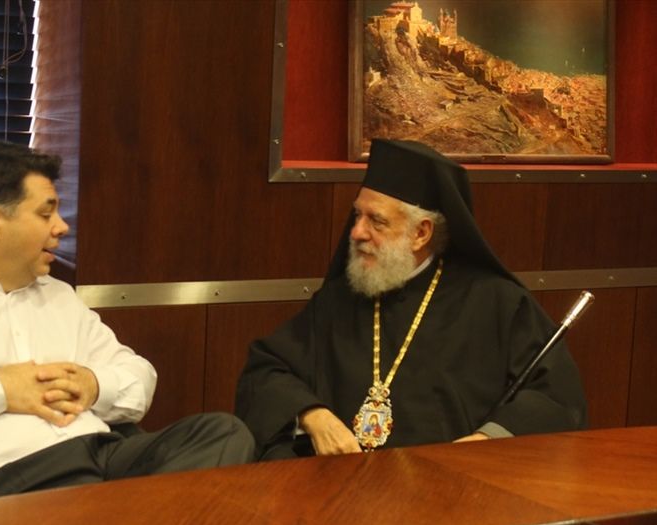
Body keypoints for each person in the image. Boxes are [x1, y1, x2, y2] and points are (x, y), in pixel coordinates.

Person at [0, 139, 254, 503]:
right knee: (158, 516)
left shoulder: (57, 295)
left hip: (100, 455)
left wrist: (93, 385)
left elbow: (138, 377)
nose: (62, 227)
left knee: (224, 433)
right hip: (1, 481)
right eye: (46, 213)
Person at [235, 139, 586, 459]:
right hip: (339, 490)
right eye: (357, 215)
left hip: (453, 492)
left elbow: (555, 397)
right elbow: (266, 370)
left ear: (421, 233)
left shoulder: (496, 302)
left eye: (376, 221)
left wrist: (487, 440)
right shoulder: (339, 300)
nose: (356, 232)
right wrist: (313, 416)